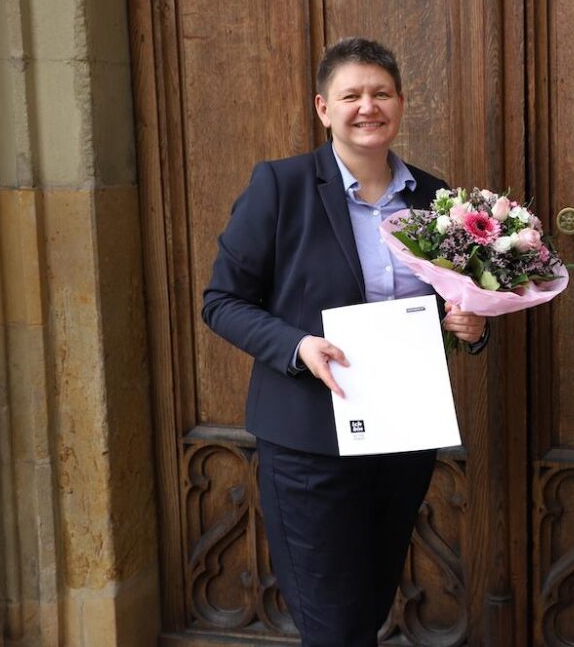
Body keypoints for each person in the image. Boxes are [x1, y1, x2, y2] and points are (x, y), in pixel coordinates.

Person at [202, 37, 487, 646]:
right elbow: (221, 302)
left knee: (367, 610)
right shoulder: (281, 186)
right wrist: (297, 345)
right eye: (351, 94)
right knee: (332, 625)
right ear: (322, 108)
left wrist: (471, 325)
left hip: (401, 438)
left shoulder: (437, 200)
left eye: (381, 93)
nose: (368, 106)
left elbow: (450, 306)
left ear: (401, 103)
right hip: (309, 444)